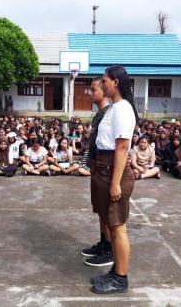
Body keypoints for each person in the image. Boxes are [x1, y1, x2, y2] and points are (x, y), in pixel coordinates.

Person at [90, 66, 137, 294]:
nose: (103, 83)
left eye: (105, 80)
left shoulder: (122, 109)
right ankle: (115, 271)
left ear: (115, 82)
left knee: (118, 228)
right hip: (104, 168)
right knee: (111, 223)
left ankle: (120, 278)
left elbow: (122, 147)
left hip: (113, 171)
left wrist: (115, 183)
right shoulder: (113, 108)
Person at [80, 77, 113, 268]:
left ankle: (109, 250)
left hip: (104, 167)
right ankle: (102, 243)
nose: (90, 93)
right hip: (95, 166)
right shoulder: (99, 114)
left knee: (107, 211)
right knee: (100, 209)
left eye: (93, 90)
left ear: (103, 91)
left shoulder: (108, 114)